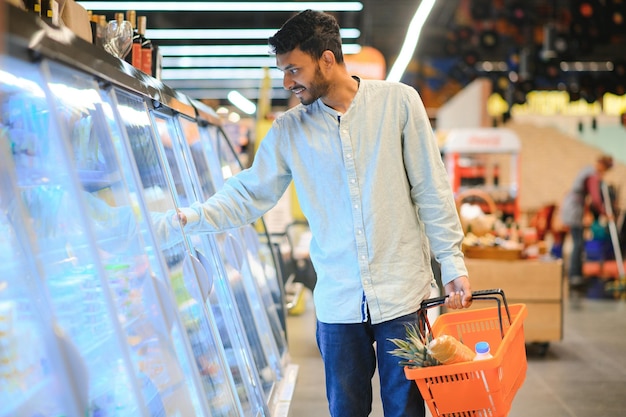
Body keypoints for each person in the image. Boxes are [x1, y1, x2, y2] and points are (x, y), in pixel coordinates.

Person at [168, 10, 472, 417]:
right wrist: (192, 217)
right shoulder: (289, 130)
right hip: (338, 301)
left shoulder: (399, 103)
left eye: (295, 69)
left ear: (327, 59)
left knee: (407, 410)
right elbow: (249, 192)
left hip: (403, 295)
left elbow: (431, 190)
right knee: (345, 410)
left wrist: (452, 262)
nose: (287, 82)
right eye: (283, 71)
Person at [560, 154, 614, 288]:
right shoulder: (593, 175)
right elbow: (595, 198)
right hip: (574, 208)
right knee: (578, 243)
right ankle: (574, 276)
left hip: (574, 206)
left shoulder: (588, 171)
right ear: (602, 165)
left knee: (579, 242)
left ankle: (576, 274)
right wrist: (605, 213)